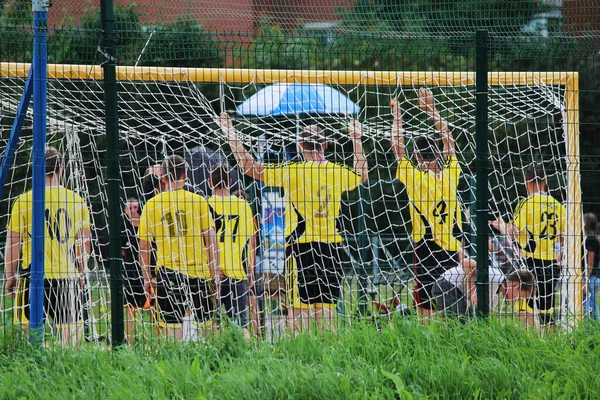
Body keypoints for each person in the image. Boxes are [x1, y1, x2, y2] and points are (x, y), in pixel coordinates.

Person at [218, 113, 367, 332]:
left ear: (299, 145)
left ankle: (300, 359)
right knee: (326, 312)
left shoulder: (292, 171)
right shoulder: (337, 172)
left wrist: (229, 131)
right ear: (325, 145)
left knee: (298, 312)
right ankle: (331, 358)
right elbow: (362, 174)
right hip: (331, 248)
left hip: (300, 247)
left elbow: (249, 167)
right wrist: (356, 139)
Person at [4, 147, 91, 346]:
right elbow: (84, 244)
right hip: (66, 277)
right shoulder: (76, 201)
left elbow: (13, 242)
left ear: (36, 168)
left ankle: (35, 372)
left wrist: (10, 276)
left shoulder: (24, 200)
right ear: (61, 169)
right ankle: (69, 373)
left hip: (33, 277)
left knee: (27, 338)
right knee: (71, 340)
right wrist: (82, 270)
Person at [390, 88, 463, 317]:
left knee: (425, 307)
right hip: (451, 248)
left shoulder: (417, 179)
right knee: (448, 303)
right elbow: (449, 141)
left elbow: (397, 150)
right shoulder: (451, 175)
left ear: (417, 157)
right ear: (438, 155)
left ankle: (427, 348)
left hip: (426, 247)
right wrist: (431, 109)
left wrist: (398, 117)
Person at [138, 155, 219, 340]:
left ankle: (174, 364)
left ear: (163, 178)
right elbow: (211, 240)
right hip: (198, 272)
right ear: (186, 175)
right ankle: (215, 365)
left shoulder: (152, 205)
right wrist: (215, 273)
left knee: (171, 327)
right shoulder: (198, 201)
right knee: (208, 326)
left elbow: (144, 246)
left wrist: (147, 277)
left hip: (168, 272)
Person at [492, 165, 566, 327]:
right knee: (547, 307)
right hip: (551, 263)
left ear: (525, 181)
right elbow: (563, 237)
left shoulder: (527, 203)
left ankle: (530, 340)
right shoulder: (558, 206)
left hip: (530, 263)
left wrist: (502, 226)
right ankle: (550, 342)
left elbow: (514, 233)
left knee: (524, 302)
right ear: (545, 181)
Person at [208, 164, 257, 338]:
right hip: (237, 269)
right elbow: (251, 240)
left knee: (213, 321)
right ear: (230, 181)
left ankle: (216, 358)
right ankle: (246, 356)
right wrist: (251, 268)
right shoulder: (243, 206)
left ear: (209, 182)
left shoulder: (205, 204)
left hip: (212, 270)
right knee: (241, 322)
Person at [122, 197, 151, 343]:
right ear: (125, 210)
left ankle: (156, 341)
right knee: (130, 308)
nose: (133, 211)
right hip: (130, 272)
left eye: (135, 207)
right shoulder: (123, 227)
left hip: (148, 270)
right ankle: (130, 342)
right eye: (130, 208)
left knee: (153, 307)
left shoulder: (146, 223)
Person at [584, 213, 600, 320]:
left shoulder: (590, 240)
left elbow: (590, 262)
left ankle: (594, 323)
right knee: (592, 302)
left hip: (592, 277)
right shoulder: (594, 239)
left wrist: (586, 277)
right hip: (595, 277)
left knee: (590, 303)